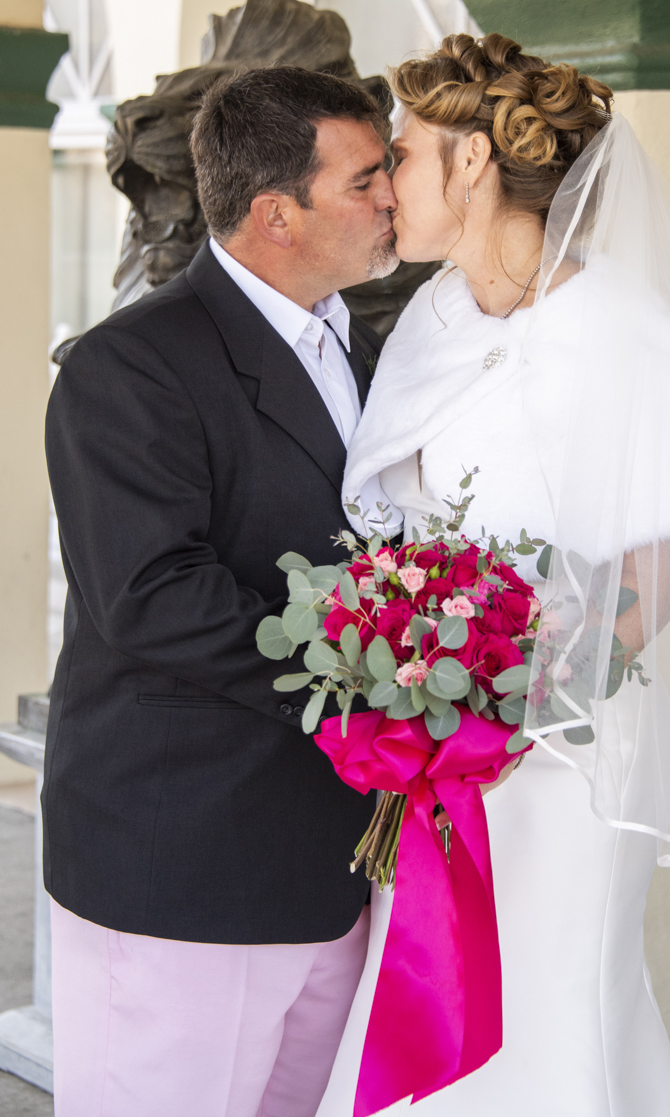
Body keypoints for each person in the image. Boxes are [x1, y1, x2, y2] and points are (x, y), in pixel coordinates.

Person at [317, 33, 670, 1116]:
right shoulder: (428, 320)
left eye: (404, 150)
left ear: (472, 164)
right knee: (425, 983)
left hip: (564, 748)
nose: (386, 178)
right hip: (428, 746)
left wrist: (515, 696)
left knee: (551, 1003)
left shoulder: (627, 332)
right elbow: (387, 530)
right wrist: (408, 684)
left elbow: (657, 566)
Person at [43, 66, 400, 1117]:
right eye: (366, 178)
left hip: (335, 864)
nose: (391, 197)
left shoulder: (372, 348)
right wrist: (380, 684)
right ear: (275, 213)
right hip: (184, 862)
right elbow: (154, 597)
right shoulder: (128, 367)